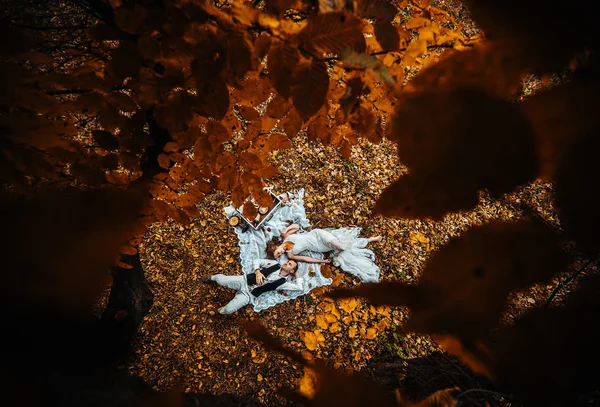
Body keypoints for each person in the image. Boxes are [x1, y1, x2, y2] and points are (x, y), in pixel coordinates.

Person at [271, 223, 383, 283]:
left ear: (276, 247)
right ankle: (370, 240)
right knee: (343, 248)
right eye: (280, 255)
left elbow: (297, 226)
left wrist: (286, 230)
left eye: (278, 252)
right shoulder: (290, 254)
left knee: (341, 246)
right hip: (318, 246)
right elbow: (306, 259)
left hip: (316, 234)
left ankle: (366, 241)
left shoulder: (285, 236)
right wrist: (322, 260)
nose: (281, 253)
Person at [205, 258, 303, 314]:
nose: (286, 263)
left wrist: (296, 274)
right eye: (287, 261)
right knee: (220, 280)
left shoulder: (283, 283)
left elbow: (299, 288)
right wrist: (258, 272)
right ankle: (211, 278)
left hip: (248, 295)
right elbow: (257, 261)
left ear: (291, 271)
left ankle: (217, 311)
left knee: (229, 309)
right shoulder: (275, 264)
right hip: (243, 281)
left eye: (289, 264)